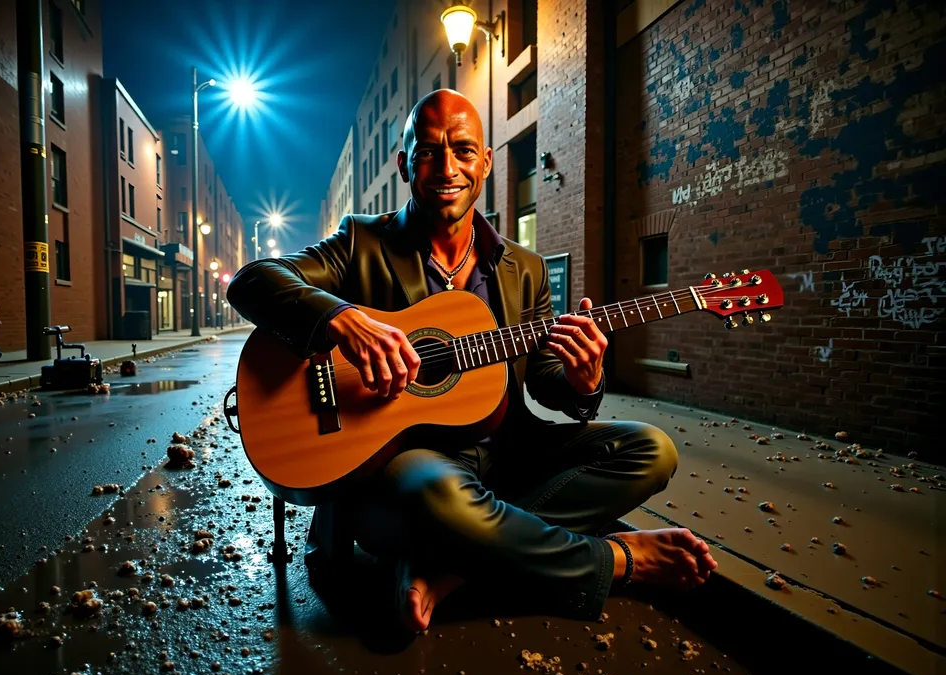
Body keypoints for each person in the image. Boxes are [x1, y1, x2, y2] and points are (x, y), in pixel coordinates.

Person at [227, 90, 717, 632]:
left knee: (652, 450)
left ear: (485, 161)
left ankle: (459, 564)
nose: (447, 168)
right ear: (404, 163)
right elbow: (254, 281)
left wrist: (584, 379)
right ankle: (617, 560)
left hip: (506, 453)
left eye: (463, 151)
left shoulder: (523, 268)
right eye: (429, 152)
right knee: (439, 492)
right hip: (408, 466)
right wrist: (342, 319)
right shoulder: (363, 240)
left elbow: (545, 382)